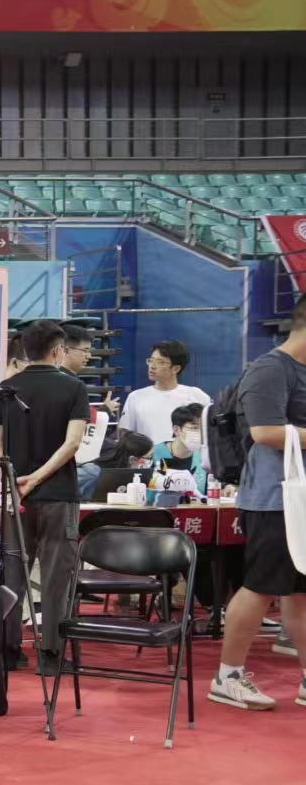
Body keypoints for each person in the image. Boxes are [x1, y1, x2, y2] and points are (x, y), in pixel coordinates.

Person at [211, 302, 306, 710]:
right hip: (273, 500)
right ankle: (228, 677)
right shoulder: (271, 369)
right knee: (261, 587)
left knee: (300, 594)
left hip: (297, 500)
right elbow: (265, 431)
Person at [0, 320, 90, 676]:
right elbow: (73, 443)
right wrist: (38, 477)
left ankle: (7, 651)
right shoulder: (74, 387)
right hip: (58, 494)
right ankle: (51, 655)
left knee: (12, 575)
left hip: (14, 495)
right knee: (55, 578)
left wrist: (12, 482)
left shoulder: (5, 389)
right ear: (58, 350)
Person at [119, 340, 211, 444]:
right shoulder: (136, 397)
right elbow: (126, 437)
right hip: (149, 454)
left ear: (176, 368)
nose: (152, 366)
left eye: (160, 362)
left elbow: (209, 433)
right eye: (151, 360)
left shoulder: (196, 395)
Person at [151, 402, 210, 489]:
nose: (200, 433)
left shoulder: (205, 457)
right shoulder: (154, 453)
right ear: (176, 430)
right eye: (194, 428)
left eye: (203, 428)